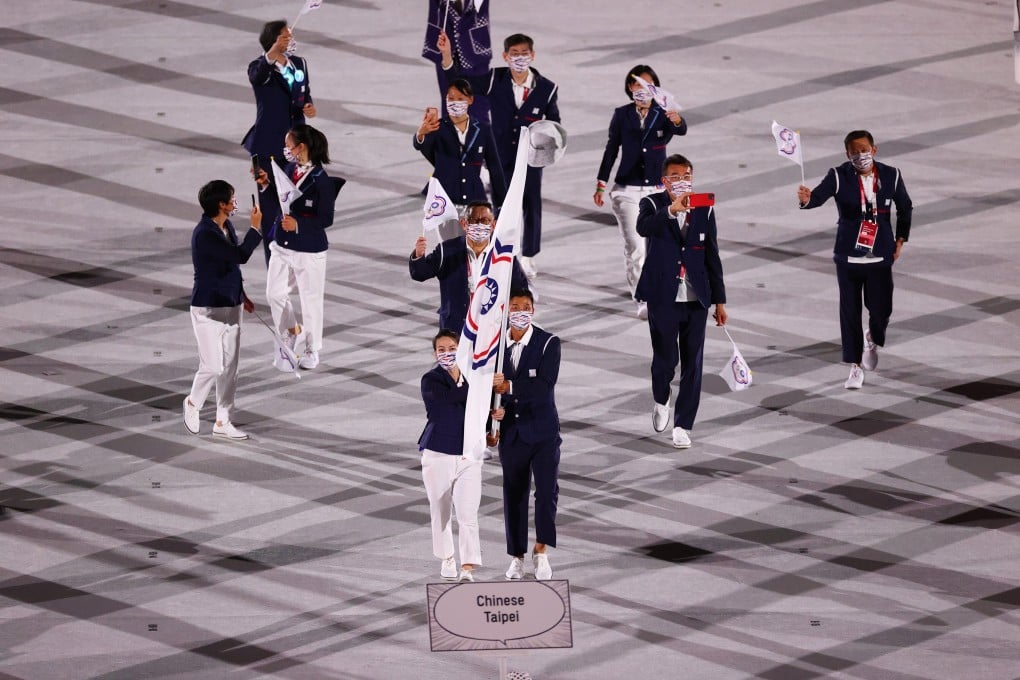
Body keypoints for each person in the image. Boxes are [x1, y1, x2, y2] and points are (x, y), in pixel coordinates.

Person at [438, 31, 560, 280]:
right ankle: (499, 251)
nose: (519, 58)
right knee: (501, 207)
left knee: (531, 204)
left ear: (533, 55)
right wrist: (448, 56)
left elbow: (555, 124)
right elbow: (462, 83)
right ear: (505, 56)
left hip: (530, 158)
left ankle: (528, 256)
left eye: (524, 54)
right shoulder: (495, 79)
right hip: (500, 155)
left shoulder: (547, 88)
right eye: (514, 54)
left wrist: (546, 144)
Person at [797, 130, 913, 389]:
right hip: (849, 255)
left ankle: (872, 337)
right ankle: (855, 366)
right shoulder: (838, 176)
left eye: (864, 149)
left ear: (874, 149)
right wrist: (806, 200)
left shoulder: (891, 175)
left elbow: (905, 206)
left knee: (882, 309)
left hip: (881, 253)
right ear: (847, 154)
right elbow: (816, 197)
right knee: (849, 311)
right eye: (854, 151)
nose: (860, 155)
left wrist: (900, 240)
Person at [636, 154, 727, 449]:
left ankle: (683, 425)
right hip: (663, 295)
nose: (682, 180)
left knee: (693, 363)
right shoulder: (651, 204)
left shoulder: (704, 208)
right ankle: (662, 399)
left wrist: (720, 301)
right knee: (665, 360)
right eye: (675, 176)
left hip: (695, 297)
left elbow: (712, 255)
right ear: (665, 180)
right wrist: (671, 211)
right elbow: (643, 228)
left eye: (687, 175)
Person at [594, 65, 687, 320]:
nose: (641, 89)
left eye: (647, 84)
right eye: (636, 84)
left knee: (659, 247)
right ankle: (642, 297)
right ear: (629, 88)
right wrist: (601, 183)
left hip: (658, 191)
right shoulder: (622, 115)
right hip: (627, 190)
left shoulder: (664, 113)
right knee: (635, 246)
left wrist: (677, 119)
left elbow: (681, 129)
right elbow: (611, 149)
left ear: (655, 88)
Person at [418, 329, 501, 582]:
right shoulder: (430, 380)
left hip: (468, 456)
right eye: (441, 350)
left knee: (468, 514)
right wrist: (483, 385)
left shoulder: (473, 378)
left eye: (452, 349)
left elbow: (477, 412)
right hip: (438, 454)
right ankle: (447, 558)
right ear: (435, 354)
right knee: (441, 511)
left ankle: (467, 566)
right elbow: (446, 404)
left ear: (460, 349)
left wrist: (493, 423)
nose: (447, 354)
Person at [183, 180, 263, 441]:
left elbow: (231, 266)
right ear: (221, 204)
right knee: (213, 365)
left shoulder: (225, 225)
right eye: (232, 198)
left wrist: (242, 295)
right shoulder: (205, 233)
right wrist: (255, 228)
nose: (235, 202)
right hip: (208, 310)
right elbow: (239, 255)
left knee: (230, 367)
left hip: (231, 305)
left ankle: (222, 420)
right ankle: (193, 403)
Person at [255, 124, 336, 371]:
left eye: (289, 146)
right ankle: (293, 330)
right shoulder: (288, 169)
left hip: (309, 250)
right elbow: (281, 202)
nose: (285, 150)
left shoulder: (322, 181)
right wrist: (267, 185)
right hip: (282, 243)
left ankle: (312, 349)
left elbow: (326, 219)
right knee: (274, 293)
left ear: (302, 147)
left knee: (310, 302)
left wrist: (299, 224)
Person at [492, 289, 560, 581]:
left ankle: (541, 551)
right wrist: (490, 426)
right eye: (515, 307)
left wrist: (510, 387)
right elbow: (486, 392)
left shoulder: (548, 343)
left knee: (546, 493)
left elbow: (544, 385)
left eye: (526, 307)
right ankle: (517, 556)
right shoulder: (494, 348)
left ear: (534, 310)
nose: (521, 311)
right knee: (514, 495)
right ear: (507, 310)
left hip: (543, 432)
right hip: (511, 434)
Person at [242, 20, 317, 265]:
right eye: (285, 36)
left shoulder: (300, 63)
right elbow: (258, 76)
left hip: (297, 148)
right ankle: (275, 265)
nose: (290, 39)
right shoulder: (258, 67)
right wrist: (273, 52)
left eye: (290, 35)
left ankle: (297, 260)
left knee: (298, 206)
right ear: (273, 40)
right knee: (272, 210)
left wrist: (308, 106)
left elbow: (304, 94)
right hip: (268, 148)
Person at [410, 200, 529, 332]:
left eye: (485, 221)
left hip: (492, 329)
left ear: (494, 225)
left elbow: (520, 289)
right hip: (456, 328)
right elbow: (420, 273)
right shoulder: (447, 250)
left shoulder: (503, 254)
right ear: (464, 224)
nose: (479, 225)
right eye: (473, 220)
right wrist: (418, 255)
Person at [414, 78, 507, 211]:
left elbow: (495, 167)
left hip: (474, 198)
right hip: (443, 199)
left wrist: (502, 203)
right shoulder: (437, 127)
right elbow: (420, 145)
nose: (454, 102)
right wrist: (421, 133)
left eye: (460, 98)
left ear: (470, 100)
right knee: (450, 232)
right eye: (451, 98)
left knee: (475, 231)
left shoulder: (483, 130)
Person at [421, 0, 491, 121]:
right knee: (451, 101)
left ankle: (481, 136)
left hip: (476, 51)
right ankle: (451, 137)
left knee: (478, 102)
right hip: (444, 49)